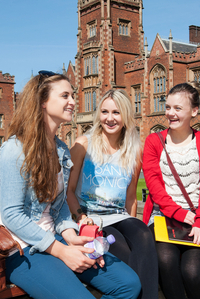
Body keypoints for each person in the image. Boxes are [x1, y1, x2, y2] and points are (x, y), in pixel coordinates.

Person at [0, 72, 141, 299]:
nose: (73, 101)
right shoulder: (15, 148)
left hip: (56, 239)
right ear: (42, 101)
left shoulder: (60, 148)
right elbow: (11, 215)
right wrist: (61, 251)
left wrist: (71, 236)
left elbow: (58, 206)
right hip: (22, 249)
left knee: (129, 284)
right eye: (65, 96)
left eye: (72, 95)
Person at [67, 89, 159, 299]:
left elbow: (131, 197)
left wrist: (133, 229)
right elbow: (68, 191)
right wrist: (81, 218)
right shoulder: (83, 145)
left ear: (125, 116)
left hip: (120, 215)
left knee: (143, 235)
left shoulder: (134, 150)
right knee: (124, 252)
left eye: (116, 113)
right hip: (93, 219)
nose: (110, 118)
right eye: (105, 112)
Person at [142, 82, 200, 299]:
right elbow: (154, 186)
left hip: (197, 216)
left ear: (194, 111)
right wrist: (178, 213)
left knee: (192, 272)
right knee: (165, 263)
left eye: (178, 108)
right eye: (168, 107)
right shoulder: (153, 142)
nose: (170, 113)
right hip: (163, 216)